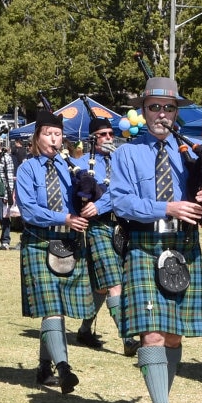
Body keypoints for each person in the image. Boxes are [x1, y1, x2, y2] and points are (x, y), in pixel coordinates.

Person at [110, 77, 202, 403]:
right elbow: (121, 201)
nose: (162, 114)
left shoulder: (192, 154)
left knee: (174, 336)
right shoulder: (126, 153)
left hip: (183, 244)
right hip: (146, 242)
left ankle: (161, 401)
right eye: (154, 108)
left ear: (177, 112)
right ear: (143, 112)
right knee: (153, 333)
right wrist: (166, 206)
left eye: (169, 108)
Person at [16, 110, 94, 394]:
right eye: (48, 133)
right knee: (52, 309)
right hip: (39, 240)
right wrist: (65, 218)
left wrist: (90, 198)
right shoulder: (27, 169)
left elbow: (81, 201)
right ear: (37, 137)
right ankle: (64, 367)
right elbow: (28, 210)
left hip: (68, 243)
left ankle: (42, 368)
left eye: (58, 134)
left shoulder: (70, 167)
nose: (53, 138)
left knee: (57, 309)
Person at [70, 118, 135, 354]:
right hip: (97, 227)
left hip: (121, 226)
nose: (109, 138)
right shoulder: (79, 164)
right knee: (114, 284)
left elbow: (125, 191)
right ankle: (128, 338)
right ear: (92, 138)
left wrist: (103, 203)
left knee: (102, 286)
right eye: (103, 134)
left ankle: (85, 330)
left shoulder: (119, 162)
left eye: (110, 133)